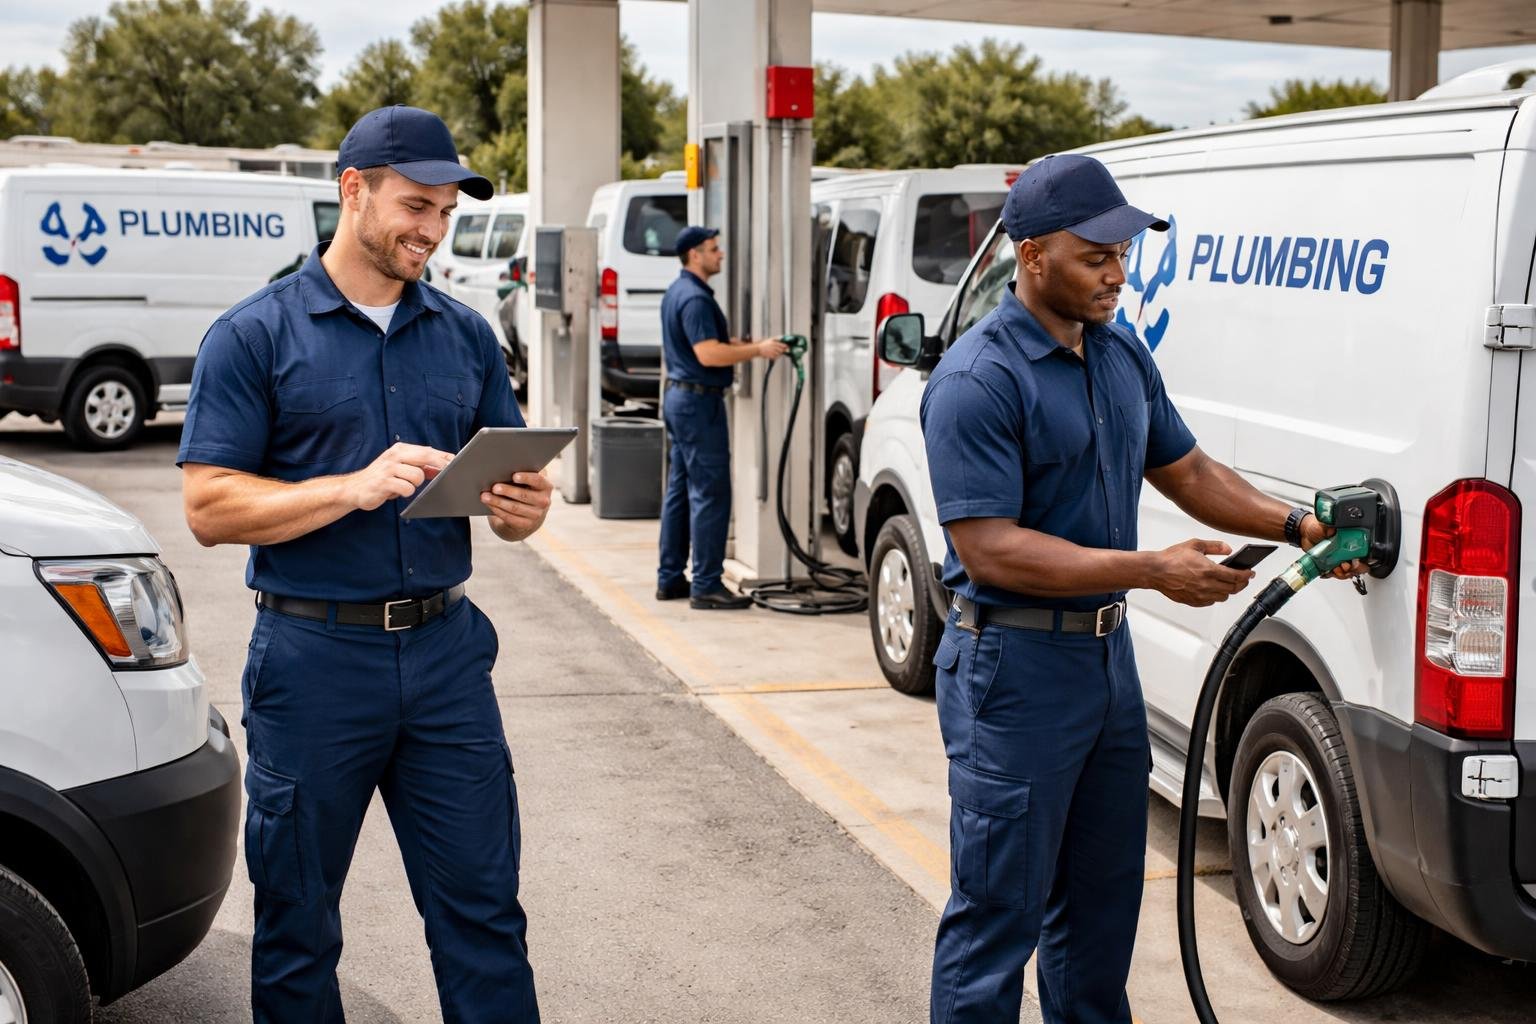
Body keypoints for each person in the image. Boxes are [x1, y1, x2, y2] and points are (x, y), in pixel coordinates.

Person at [920, 154, 1365, 1024]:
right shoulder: (978, 379)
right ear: (1034, 253)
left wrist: (1295, 525)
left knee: (1100, 910)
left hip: (1103, 668)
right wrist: (1152, 571)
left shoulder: (1118, 352)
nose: (1119, 274)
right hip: (1012, 669)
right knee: (996, 918)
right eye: (1097, 256)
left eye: (1124, 253)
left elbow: (1187, 469)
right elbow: (991, 550)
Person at [177, 105, 547, 1023]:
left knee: (485, 916)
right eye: (415, 205)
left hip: (446, 658)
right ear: (353, 191)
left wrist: (522, 511)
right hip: (313, 664)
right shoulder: (254, 334)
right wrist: (351, 487)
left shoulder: (464, 336)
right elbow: (209, 506)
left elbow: (509, 497)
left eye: (445, 213)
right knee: (299, 927)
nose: (430, 228)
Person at [655, 226, 788, 609]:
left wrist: (746, 345)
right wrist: (758, 350)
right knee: (711, 494)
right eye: (714, 249)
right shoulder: (695, 299)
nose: (721, 254)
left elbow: (709, 344)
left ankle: (670, 578)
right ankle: (708, 585)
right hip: (699, 406)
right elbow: (709, 354)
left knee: (680, 493)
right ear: (695, 255)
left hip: (680, 400)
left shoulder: (677, 292)